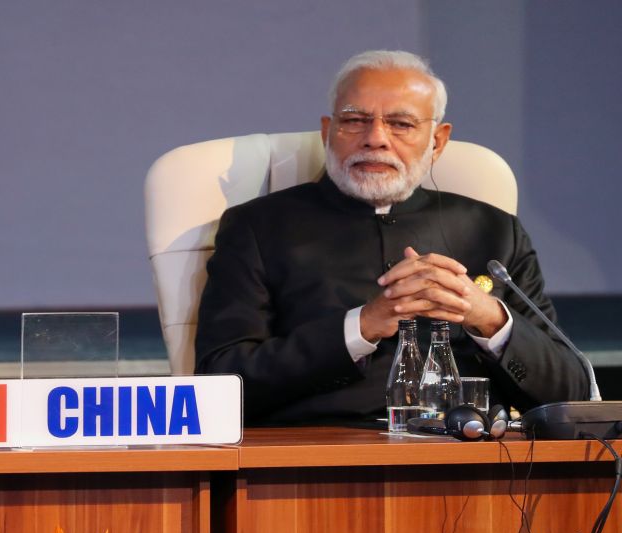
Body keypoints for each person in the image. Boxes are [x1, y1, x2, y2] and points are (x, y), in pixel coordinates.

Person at [194, 49, 588, 425]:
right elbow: (219, 386)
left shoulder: (495, 231)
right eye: (354, 120)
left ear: (438, 141)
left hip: (472, 464)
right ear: (328, 132)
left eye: (401, 124)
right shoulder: (258, 228)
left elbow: (573, 394)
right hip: (311, 468)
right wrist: (362, 326)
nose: (376, 138)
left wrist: (487, 317)